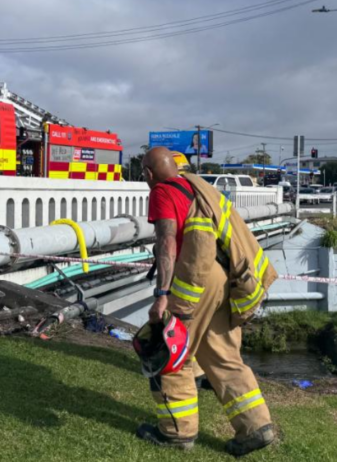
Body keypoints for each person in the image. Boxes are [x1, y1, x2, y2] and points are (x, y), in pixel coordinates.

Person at [135, 147, 277, 456]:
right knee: (222, 355)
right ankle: (256, 427)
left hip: (194, 279)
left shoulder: (162, 192)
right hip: (223, 278)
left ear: (148, 173)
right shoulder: (196, 187)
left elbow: (167, 242)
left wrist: (162, 295)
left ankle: (177, 433)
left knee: (171, 352)